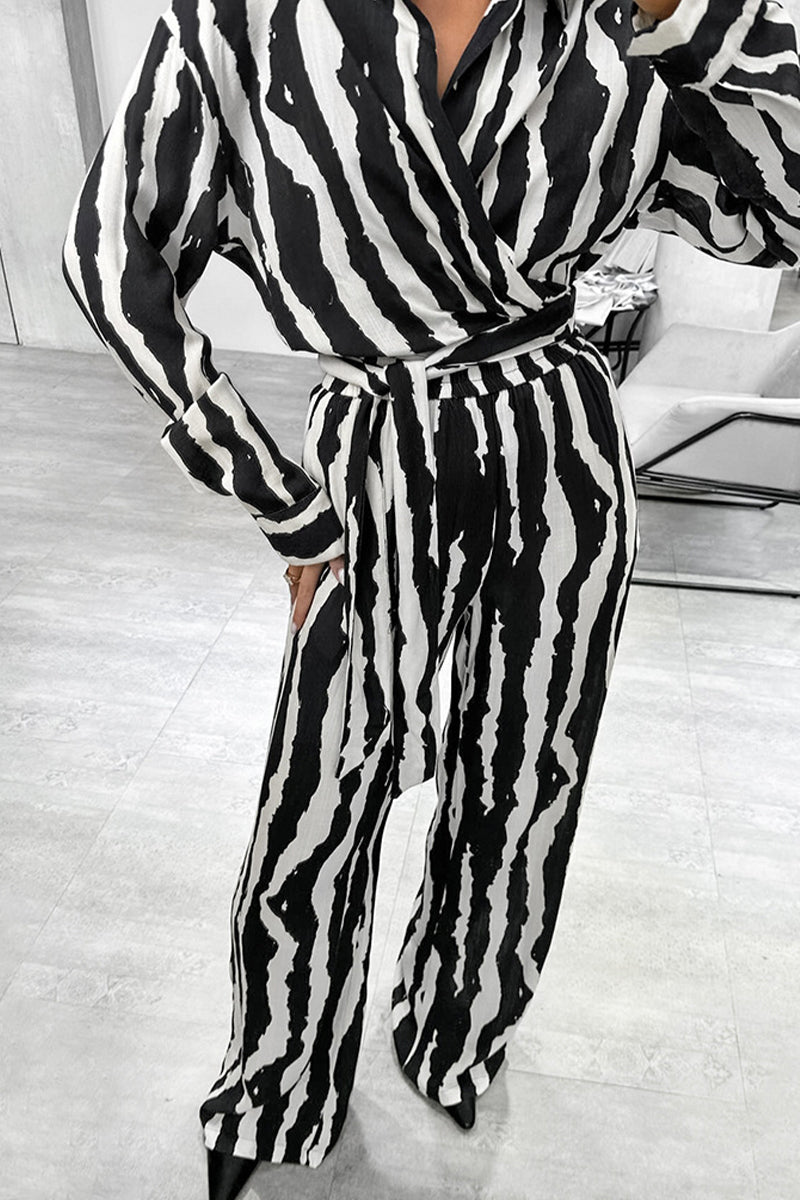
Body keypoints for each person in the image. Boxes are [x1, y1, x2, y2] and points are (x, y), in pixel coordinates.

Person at [61, 0, 800, 1195]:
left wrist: (696, 25)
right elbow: (111, 261)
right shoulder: (242, 24)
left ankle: (459, 1021)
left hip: (556, 432)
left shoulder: (621, 27)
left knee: (528, 767)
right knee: (321, 785)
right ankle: (276, 1078)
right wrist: (275, 495)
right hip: (372, 446)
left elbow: (781, 214)